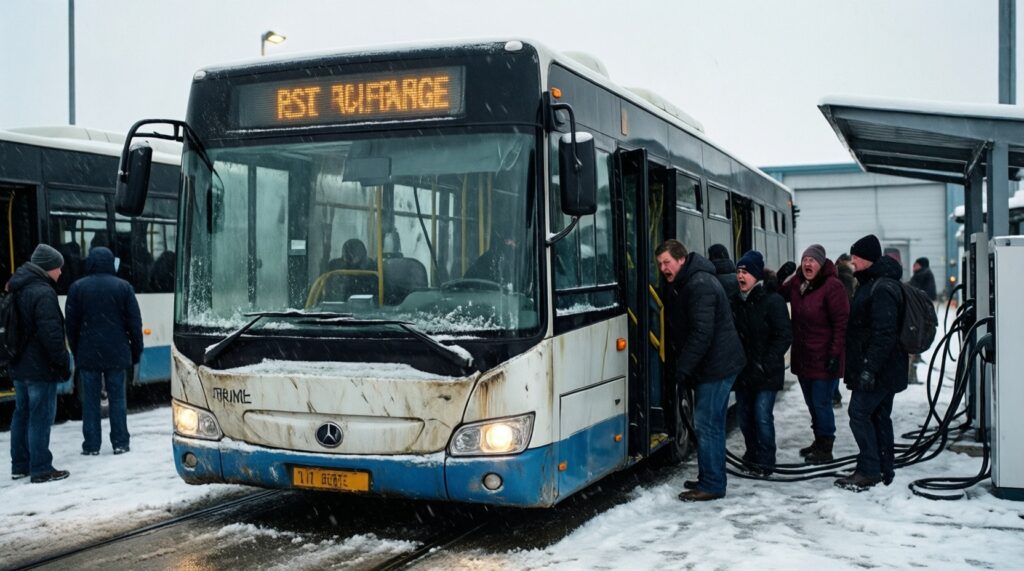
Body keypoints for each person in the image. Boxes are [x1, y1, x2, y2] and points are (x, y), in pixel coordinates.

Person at [656, 239, 745, 502]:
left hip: (717, 368)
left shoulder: (699, 285)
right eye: (660, 264)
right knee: (708, 424)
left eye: (667, 262)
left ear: (681, 259)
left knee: (708, 425)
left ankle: (713, 484)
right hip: (711, 366)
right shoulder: (690, 282)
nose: (663, 268)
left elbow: (701, 334)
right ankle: (709, 476)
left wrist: (682, 369)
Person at [835, 234, 908, 491]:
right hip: (879, 367)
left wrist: (869, 369)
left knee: (859, 413)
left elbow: (884, 334)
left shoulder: (882, 288)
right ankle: (881, 466)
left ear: (868, 259)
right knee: (878, 415)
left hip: (879, 369)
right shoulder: (872, 283)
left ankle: (869, 468)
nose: (852, 260)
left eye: (857, 256)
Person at [65, 247, 144, 456]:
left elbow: (71, 326)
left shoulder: (77, 288)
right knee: (118, 400)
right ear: (111, 263)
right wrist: (136, 352)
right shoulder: (124, 287)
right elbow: (134, 324)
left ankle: (91, 445)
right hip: (117, 353)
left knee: (90, 402)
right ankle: (120, 442)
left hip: (88, 354)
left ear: (89, 263)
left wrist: (77, 349)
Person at [777, 244, 849, 464]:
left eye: (812, 260)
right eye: (805, 259)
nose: (808, 263)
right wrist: (780, 277)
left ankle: (826, 447)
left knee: (821, 403)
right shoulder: (798, 282)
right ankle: (818, 440)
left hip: (824, 356)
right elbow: (779, 294)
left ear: (821, 263)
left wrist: (834, 354)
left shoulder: (832, 286)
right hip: (803, 356)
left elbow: (841, 323)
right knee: (811, 403)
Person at [7, 244, 71, 483]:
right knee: (40, 416)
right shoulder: (43, 292)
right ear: (48, 267)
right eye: (58, 268)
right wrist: (63, 362)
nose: (61, 273)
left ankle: (20, 465)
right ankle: (41, 468)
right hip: (40, 366)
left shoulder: (16, 287)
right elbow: (51, 335)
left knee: (21, 413)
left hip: (20, 364)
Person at [731, 251, 792, 475]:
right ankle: (752, 454)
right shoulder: (736, 301)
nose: (740, 276)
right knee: (744, 418)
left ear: (756, 275)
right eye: (738, 271)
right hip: (744, 372)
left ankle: (766, 461)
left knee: (762, 415)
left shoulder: (772, 300)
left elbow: (784, 335)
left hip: (766, 372)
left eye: (745, 272)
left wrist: (766, 363)